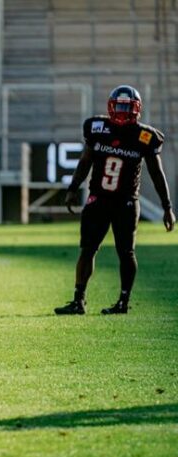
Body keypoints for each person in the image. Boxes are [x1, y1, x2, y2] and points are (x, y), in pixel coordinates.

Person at [55, 85, 175, 315]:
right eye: (119, 106)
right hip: (98, 199)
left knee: (126, 252)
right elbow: (85, 160)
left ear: (137, 109)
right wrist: (73, 187)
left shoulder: (145, 136)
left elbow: (157, 174)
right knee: (87, 249)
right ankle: (78, 301)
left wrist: (167, 207)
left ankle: (123, 302)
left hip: (126, 202)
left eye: (127, 107)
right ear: (111, 106)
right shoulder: (98, 128)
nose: (122, 111)